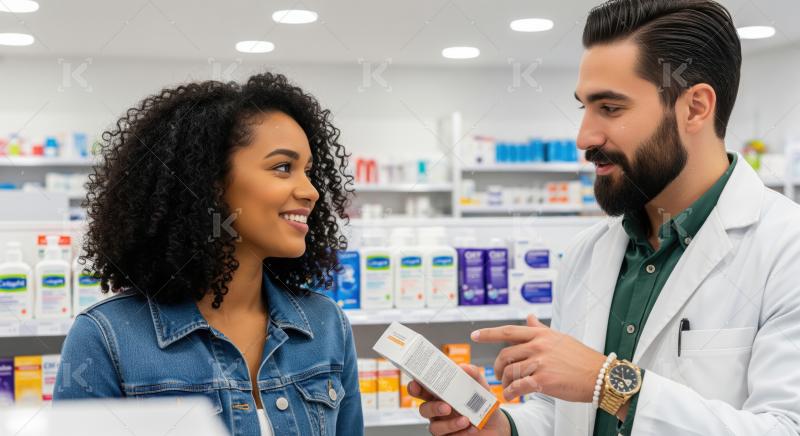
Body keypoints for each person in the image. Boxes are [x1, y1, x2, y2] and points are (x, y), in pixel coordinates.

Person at [410, 0, 800, 435]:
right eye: (584, 108)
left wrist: (609, 384)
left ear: (694, 108)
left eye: (610, 108)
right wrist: (502, 427)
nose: (584, 137)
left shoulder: (787, 248)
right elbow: (562, 412)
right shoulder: (588, 253)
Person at [53, 72, 363, 436]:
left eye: (308, 171)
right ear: (210, 182)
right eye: (283, 168)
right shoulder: (108, 338)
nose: (311, 191)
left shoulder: (325, 325)